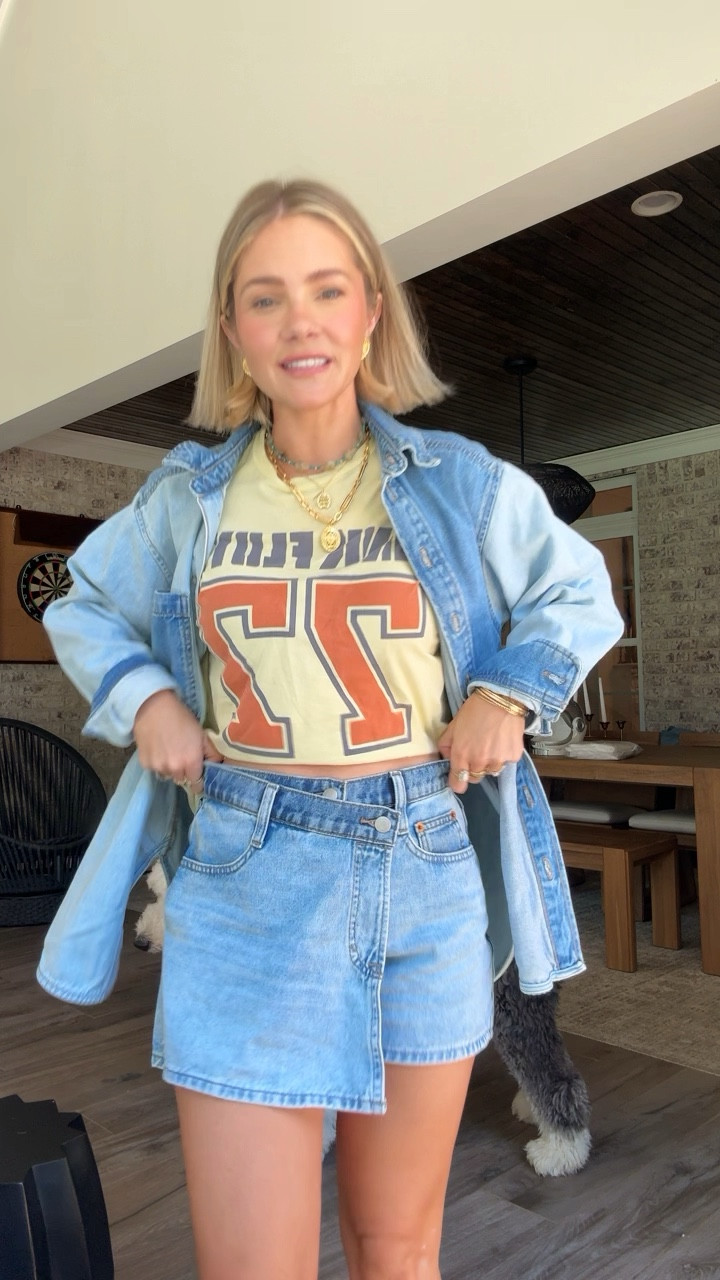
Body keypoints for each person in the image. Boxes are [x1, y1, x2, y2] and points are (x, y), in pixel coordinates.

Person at [40, 178, 623, 1280]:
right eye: (265, 298)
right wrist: (150, 699)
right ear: (233, 331)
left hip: (424, 865)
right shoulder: (187, 496)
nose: (298, 321)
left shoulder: (461, 483)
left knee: (397, 1252)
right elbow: (81, 602)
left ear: (370, 313)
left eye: (326, 289)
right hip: (244, 870)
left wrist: (506, 693)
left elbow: (578, 593)